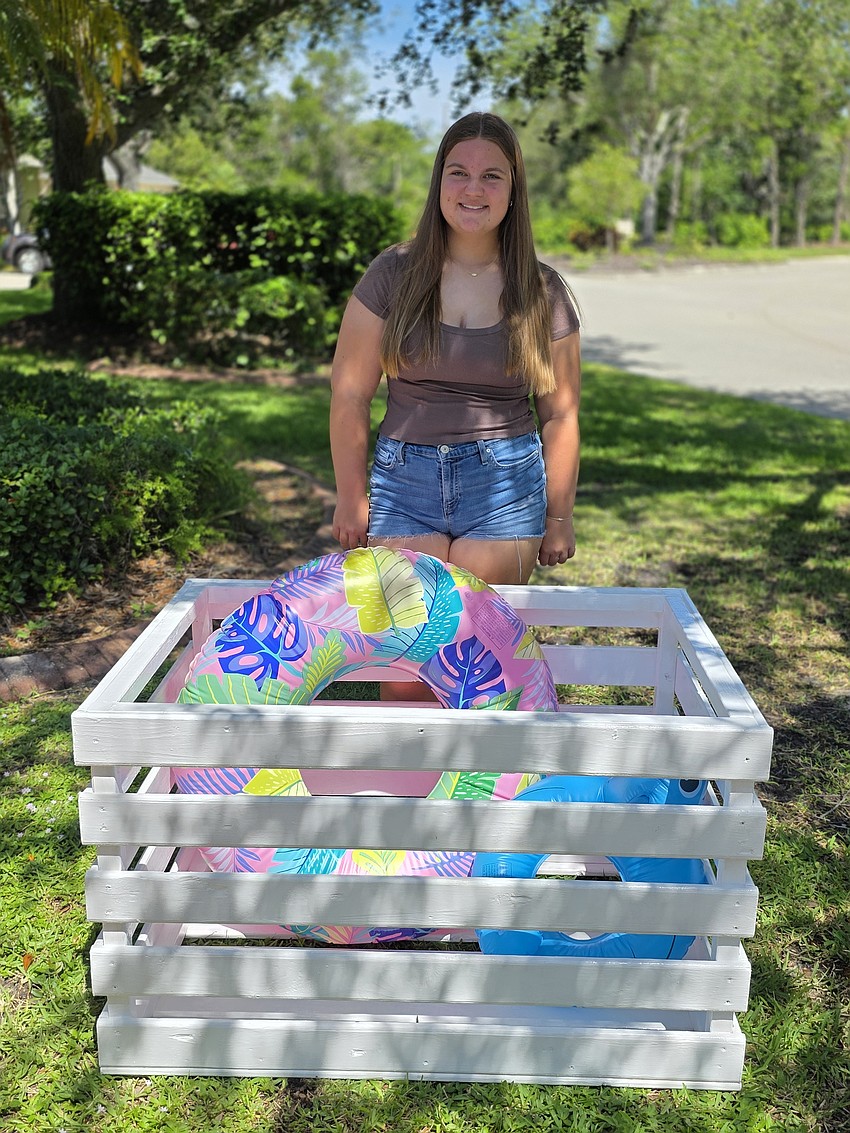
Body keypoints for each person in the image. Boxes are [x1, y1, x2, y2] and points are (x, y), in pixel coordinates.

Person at [329, 111, 581, 697]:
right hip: (403, 484)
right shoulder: (393, 273)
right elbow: (349, 392)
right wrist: (350, 496)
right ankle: (404, 792)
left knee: (470, 660)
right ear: (438, 181)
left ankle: (478, 789)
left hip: (505, 486)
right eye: (458, 172)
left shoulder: (542, 291)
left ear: (514, 191)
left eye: (492, 176)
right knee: (406, 676)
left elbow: (561, 412)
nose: (473, 189)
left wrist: (559, 517)